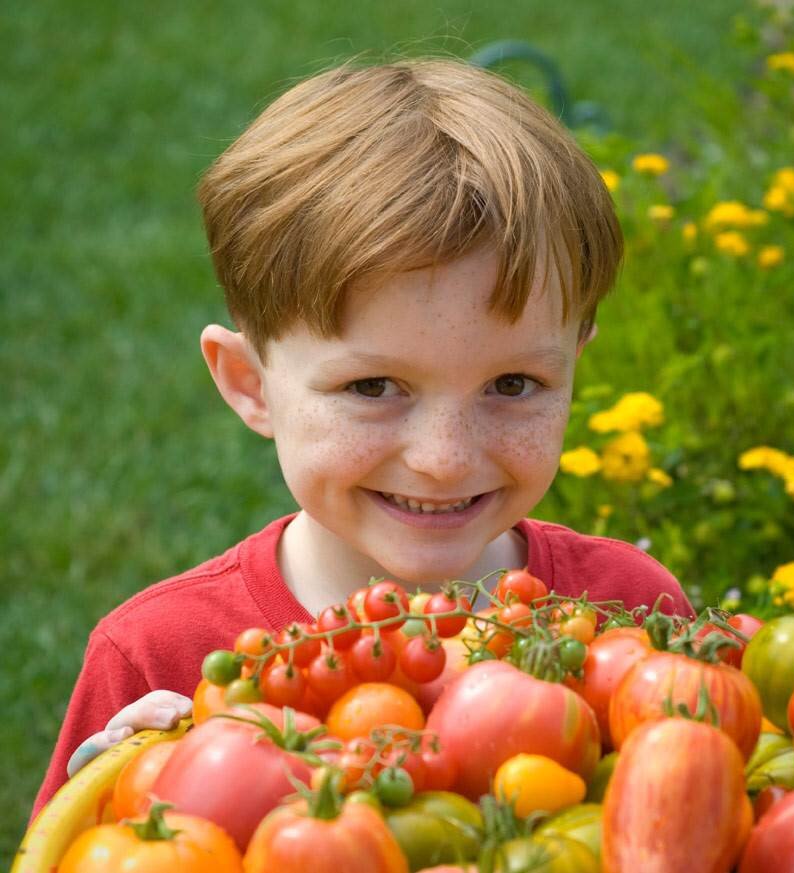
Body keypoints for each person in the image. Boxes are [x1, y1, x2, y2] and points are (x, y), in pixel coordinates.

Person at [31, 57, 693, 819]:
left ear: (573, 366)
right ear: (250, 384)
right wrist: (120, 797)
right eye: (372, 387)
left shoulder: (631, 613)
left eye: (513, 385)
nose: (444, 458)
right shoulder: (159, 657)